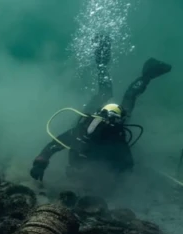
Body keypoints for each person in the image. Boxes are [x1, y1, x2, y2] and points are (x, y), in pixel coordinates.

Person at [30, 34, 171, 182]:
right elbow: (54, 146)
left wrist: (41, 162)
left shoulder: (104, 137)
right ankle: (125, 68)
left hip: (108, 119)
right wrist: (41, 162)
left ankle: (110, 63)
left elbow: (127, 166)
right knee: (119, 95)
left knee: (110, 93)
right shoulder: (84, 133)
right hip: (101, 116)